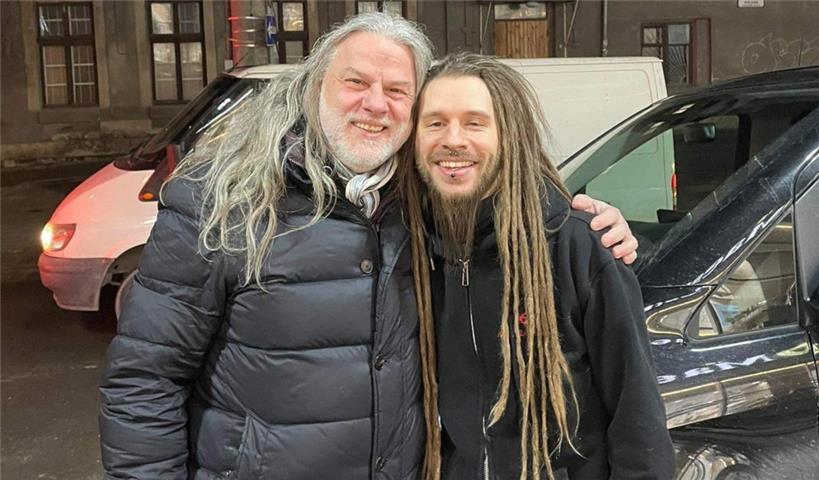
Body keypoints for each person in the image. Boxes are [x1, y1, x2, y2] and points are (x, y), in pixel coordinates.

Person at [99, 14, 638, 480]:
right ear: (313, 88)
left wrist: (582, 220)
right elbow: (145, 381)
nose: (375, 104)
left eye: (398, 90)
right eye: (355, 81)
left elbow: (499, 181)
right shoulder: (222, 204)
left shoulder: (422, 206)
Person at [402, 53, 675, 480]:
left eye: (476, 123)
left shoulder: (581, 246)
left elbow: (637, 415)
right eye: (435, 123)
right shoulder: (417, 254)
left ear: (511, 135)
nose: (453, 139)